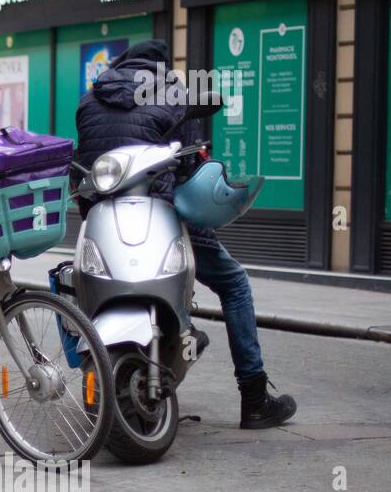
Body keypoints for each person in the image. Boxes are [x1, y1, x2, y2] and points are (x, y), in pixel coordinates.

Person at [74, 38, 297, 430]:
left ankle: (91, 375)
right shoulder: (175, 92)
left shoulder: (89, 101)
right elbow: (191, 169)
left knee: (70, 282)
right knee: (234, 283)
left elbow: (85, 167)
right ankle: (255, 396)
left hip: (104, 221)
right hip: (162, 217)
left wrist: (91, 216)